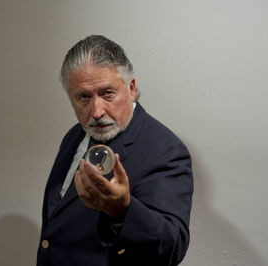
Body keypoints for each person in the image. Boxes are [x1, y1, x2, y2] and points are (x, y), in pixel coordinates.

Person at [37, 35, 194, 266]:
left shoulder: (166, 149)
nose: (97, 111)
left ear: (131, 88)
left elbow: (172, 247)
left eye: (107, 93)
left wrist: (122, 211)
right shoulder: (75, 135)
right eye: (83, 97)